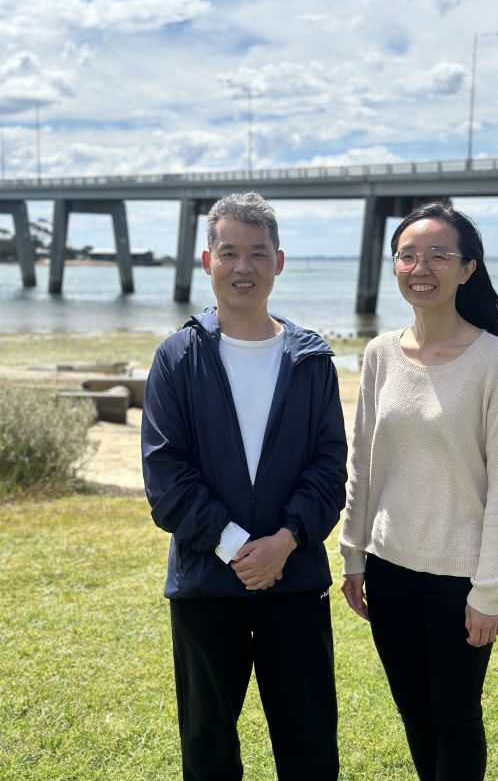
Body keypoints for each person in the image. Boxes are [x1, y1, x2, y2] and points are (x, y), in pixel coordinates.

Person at [141, 192, 347, 781]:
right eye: (229, 253)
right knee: (207, 743)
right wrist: (237, 548)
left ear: (279, 262)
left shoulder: (311, 359)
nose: (243, 268)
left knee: (308, 740)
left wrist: (283, 542)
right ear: (207, 261)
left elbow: (330, 467)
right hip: (207, 583)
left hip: (295, 578)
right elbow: (166, 477)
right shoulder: (177, 357)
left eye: (257, 254)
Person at [340, 201, 498, 781]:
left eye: (438, 256)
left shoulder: (496, 362)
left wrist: (489, 590)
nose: (420, 267)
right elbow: (363, 460)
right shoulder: (378, 354)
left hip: (460, 577)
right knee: (414, 714)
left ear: (467, 268)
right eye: (407, 256)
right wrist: (352, 553)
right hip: (388, 568)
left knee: (454, 717)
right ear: (394, 264)